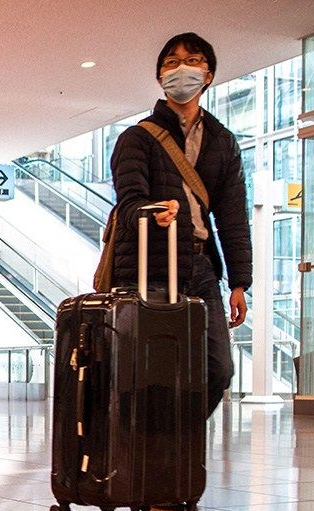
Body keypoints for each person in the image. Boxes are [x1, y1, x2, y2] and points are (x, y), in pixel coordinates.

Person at [109, 32, 251, 418]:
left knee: (218, 368)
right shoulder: (137, 138)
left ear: (208, 75)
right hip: (150, 265)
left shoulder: (223, 142)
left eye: (193, 61)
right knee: (150, 372)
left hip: (201, 266)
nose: (181, 69)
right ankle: (148, 443)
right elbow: (129, 202)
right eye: (171, 62)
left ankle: (176, 438)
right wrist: (152, 212)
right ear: (160, 77)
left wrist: (239, 282)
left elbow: (233, 217)